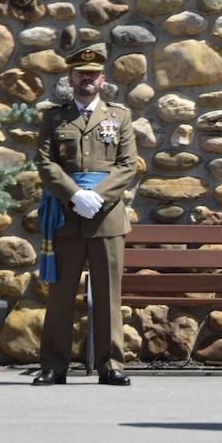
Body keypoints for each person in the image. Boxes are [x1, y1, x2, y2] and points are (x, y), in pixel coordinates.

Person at [33, 43, 137, 387]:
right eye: (80, 74)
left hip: (107, 217)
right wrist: (75, 194)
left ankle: (110, 365)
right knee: (61, 295)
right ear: (70, 78)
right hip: (66, 214)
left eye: (92, 75)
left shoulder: (119, 117)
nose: (86, 80)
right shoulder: (53, 117)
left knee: (108, 295)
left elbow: (127, 166)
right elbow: (45, 163)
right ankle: (54, 365)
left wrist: (98, 196)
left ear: (102, 79)